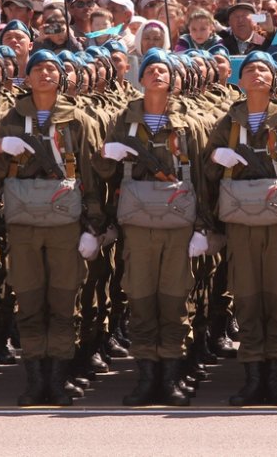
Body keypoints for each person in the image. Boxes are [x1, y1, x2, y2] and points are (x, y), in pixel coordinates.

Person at [0, 49, 105, 407]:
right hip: (23, 225)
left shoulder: (77, 119)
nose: (45, 74)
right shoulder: (11, 118)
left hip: (65, 223)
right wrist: (0, 150)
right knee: (30, 300)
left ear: (62, 76)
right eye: (38, 68)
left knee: (64, 302)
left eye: (52, 68)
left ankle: (59, 378)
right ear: (27, 77)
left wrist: (94, 226)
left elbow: (92, 173)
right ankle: (35, 379)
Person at [203, 51, 277, 407]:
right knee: (248, 299)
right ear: (239, 80)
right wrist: (215, 157)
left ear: (274, 79)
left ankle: (276, 378)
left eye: (263, 69)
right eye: (249, 69)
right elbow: (206, 173)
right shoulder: (229, 121)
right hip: (241, 223)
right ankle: (253, 377)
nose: (256, 75)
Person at [94, 48, 208, 406]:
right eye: (151, 70)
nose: (157, 75)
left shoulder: (190, 123)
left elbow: (204, 177)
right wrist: (105, 158)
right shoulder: (124, 121)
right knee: (141, 298)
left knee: (175, 300)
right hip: (138, 224)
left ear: (173, 80)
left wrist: (204, 227)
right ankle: (146, 377)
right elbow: (104, 174)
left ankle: (170, 377)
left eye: (164, 71)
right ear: (140, 80)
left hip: (178, 224)